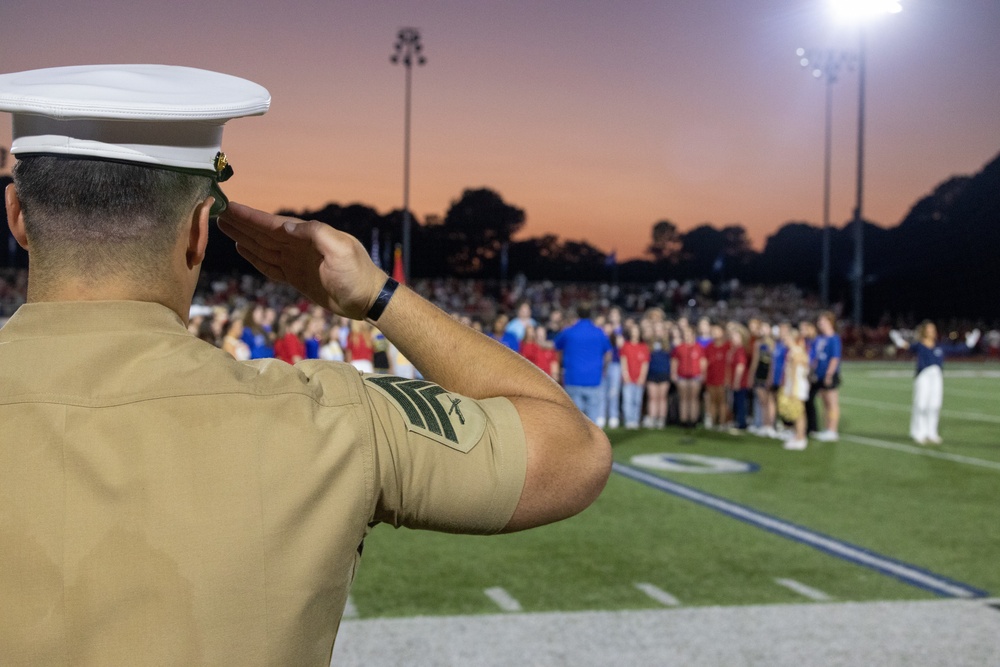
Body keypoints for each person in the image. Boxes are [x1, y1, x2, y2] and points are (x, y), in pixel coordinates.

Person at [0, 64, 611, 665]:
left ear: (18, 217)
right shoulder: (326, 417)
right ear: (197, 231)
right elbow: (574, 453)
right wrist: (378, 296)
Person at [890, 322, 981, 445]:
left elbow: (958, 349)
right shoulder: (920, 346)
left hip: (937, 377)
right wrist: (897, 339)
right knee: (921, 405)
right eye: (929, 329)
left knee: (934, 405)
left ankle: (932, 433)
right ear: (924, 331)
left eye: (933, 329)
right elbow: (905, 346)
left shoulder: (940, 346)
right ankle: (918, 432)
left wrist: (970, 342)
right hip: (923, 376)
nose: (932, 331)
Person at [554, 304, 613, 426]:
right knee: (592, 420)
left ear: (577, 314)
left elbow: (555, 346)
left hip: (573, 378)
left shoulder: (569, 332)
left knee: (575, 420)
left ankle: (578, 444)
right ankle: (592, 444)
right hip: (593, 379)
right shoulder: (598, 332)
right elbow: (608, 353)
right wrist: (604, 368)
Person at [779, 327, 811, 450]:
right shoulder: (793, 351)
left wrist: (792, 389)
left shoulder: (796, 352)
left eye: (787, 337)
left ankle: (801, 437)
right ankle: (796, 434)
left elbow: (796, 373)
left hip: (796, 385)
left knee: (799, 413)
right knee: (794, 412)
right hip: (793, 384)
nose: (784, 339)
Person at [813, 312, 842, 441]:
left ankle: (833, 430)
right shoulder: (820, 338)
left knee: (832, 403)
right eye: (819, 321)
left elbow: (835, 358)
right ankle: (827, 428)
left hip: (829, 374)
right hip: (819, 374)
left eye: (823, 321)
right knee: (824, 403)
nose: (820, 324)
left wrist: (829, 374)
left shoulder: (834, 338)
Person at [671, 326, 706, 431]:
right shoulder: (679, 348)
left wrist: (703, 373)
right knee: (684, 399)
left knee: (694, 398)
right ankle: (684, 420)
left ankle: (693, 420)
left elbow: (702, 361)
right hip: (682, 375)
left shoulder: (698, 347)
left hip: (695, 376)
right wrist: (673, 373)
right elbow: (675, 361)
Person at [619, 323, 650, 429]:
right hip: (628, 377)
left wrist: (642, 376)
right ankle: (629, 420)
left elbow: (645, 363)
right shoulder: (626, 346)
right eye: (633, 330)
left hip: (639, 378)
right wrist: (625, 374)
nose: (635, 333)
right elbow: (623, 361)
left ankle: (635, 420)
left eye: (637, 330)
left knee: (637, 400)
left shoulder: (644, 347)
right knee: (627, 400)